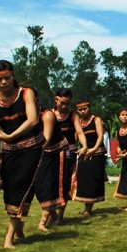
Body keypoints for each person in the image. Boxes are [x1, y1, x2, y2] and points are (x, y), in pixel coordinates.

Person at [0, 60, 44, 248]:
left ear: (13, 75)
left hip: (31, 149)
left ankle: (9, 237)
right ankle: (18, 226)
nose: (3, 82)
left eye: (7, 78)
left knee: (20, 187)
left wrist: (10, 136)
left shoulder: (26, 93)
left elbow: (33, 120)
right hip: (9, 152)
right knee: (9, 191)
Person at [52, 88, 87, 223]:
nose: (64, 106)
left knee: (65, 184)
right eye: (62, 103)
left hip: (68, 155)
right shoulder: (48, 114)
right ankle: (51, 212)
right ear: (56, 100)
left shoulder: (73, 116)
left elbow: (80, 132)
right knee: (50, 183)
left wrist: (84, 146)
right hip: (51, 155)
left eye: (67, 103)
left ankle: (60, 215)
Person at [35, 100, 69, 231]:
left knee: (50, 185)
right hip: (44, 153)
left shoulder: (47, 115)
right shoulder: (28, 116)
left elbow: (46, 138)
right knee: (39, 186)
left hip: (57, 153)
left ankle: (43, 222)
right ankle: (53, 215)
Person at [73, 99, 107, 217]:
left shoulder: (96, 119)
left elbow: (100, 136)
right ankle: (86, 206)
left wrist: (94, 149)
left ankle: (89, 208)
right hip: (84, 154)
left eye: (85, 109)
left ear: (89, 108)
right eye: (80, 109)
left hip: (96, 153)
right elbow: (77, 138)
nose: (83, 111)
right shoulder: (78, 122)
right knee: (84, 180)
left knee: (93, 180)